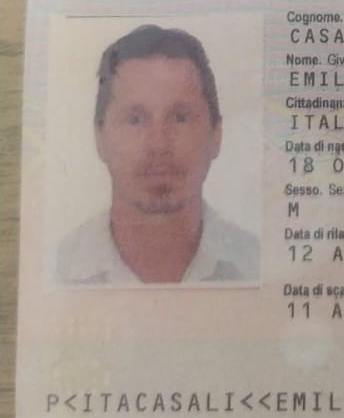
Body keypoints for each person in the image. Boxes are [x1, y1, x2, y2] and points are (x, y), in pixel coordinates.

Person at [57, 25, 259, 285]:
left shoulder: (257, 265)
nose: (158, 144)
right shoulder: (56, 270)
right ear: (100, 137)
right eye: (135, 120)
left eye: (180, 118)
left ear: (216, 135)